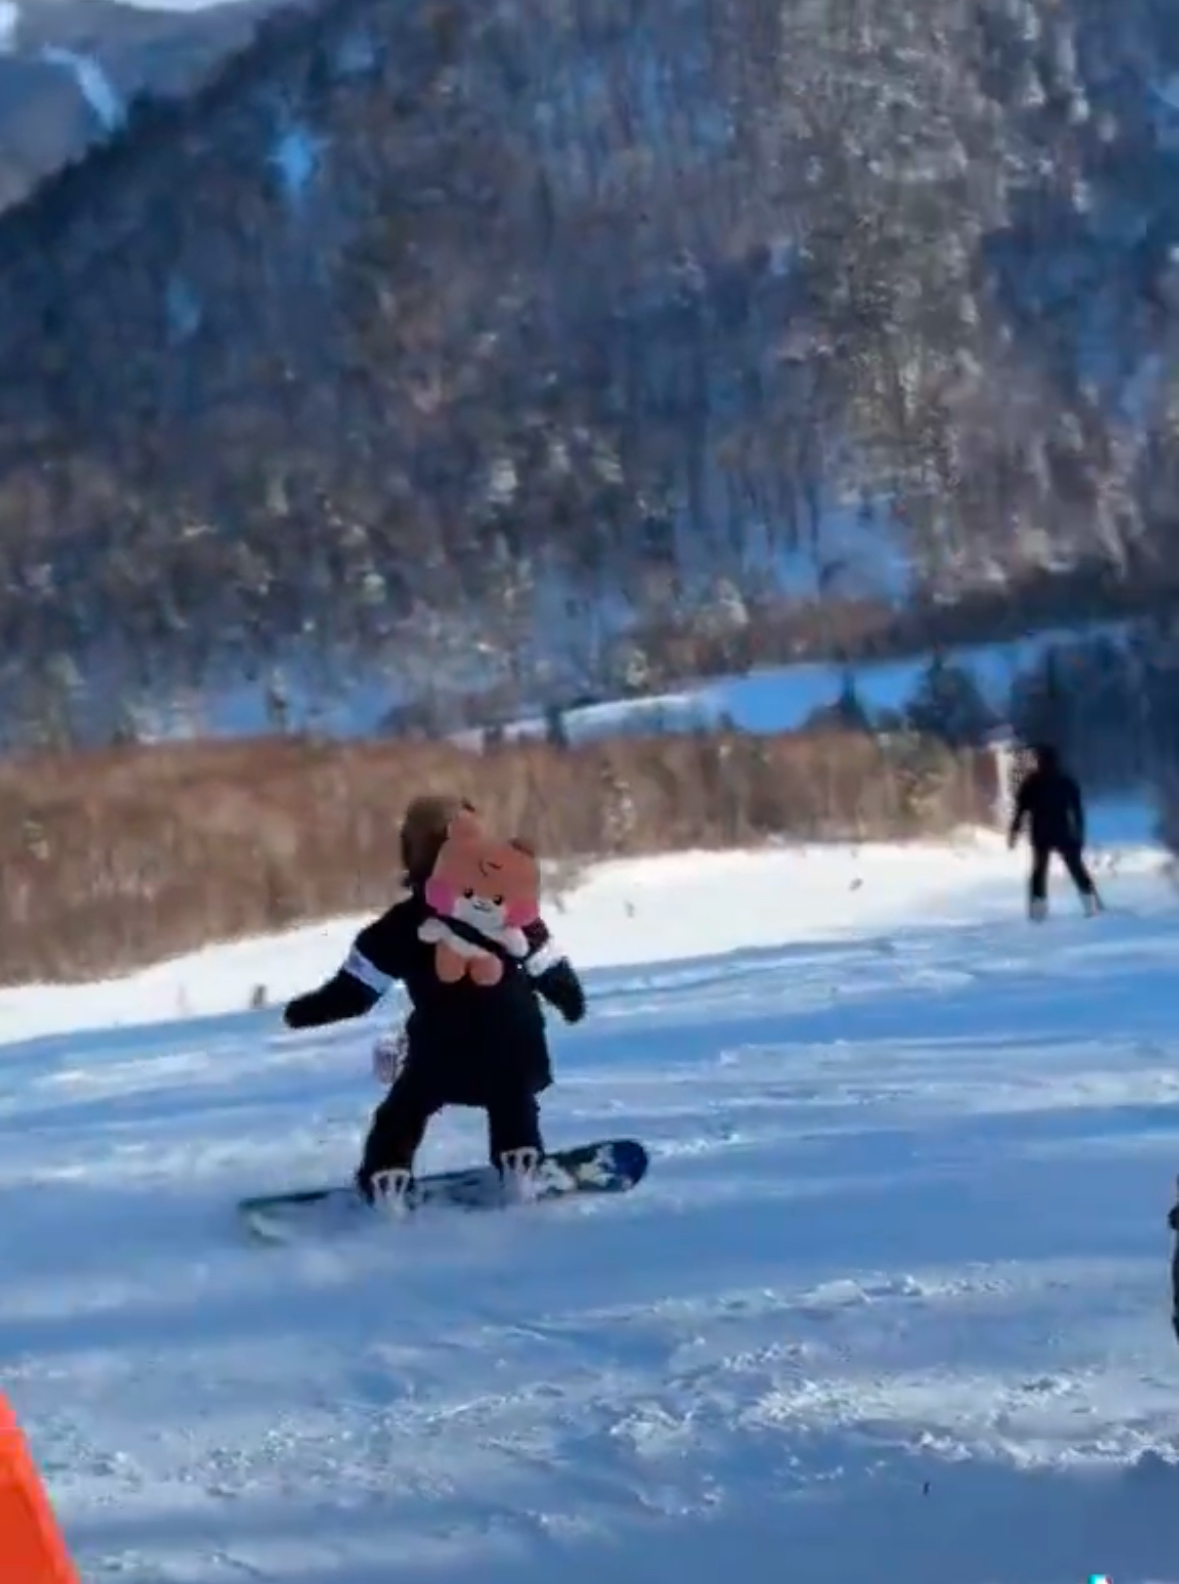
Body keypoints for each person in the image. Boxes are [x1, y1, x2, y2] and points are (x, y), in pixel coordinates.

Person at [281, 794, 587, 1210]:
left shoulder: (398, 927)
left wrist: (302, 1012)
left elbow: (353, 994)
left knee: (403, 1112)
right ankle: (520, 1159)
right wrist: (569, 999)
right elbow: (549, 966)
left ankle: (388, 1174)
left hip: (443, 1050)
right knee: (512, 1095)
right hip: (515, 1040)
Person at [1007, 743, 1100, 920]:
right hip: (1062, 831)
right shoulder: (1065, 781)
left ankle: (1037, 910)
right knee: (1076, 868)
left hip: (1040, 832)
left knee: (1039, 871)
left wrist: (1014, 832)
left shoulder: (1032, 782)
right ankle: (1091, 905)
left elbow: (1021, 810)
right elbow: (1077, 810)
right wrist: (1079, 833)